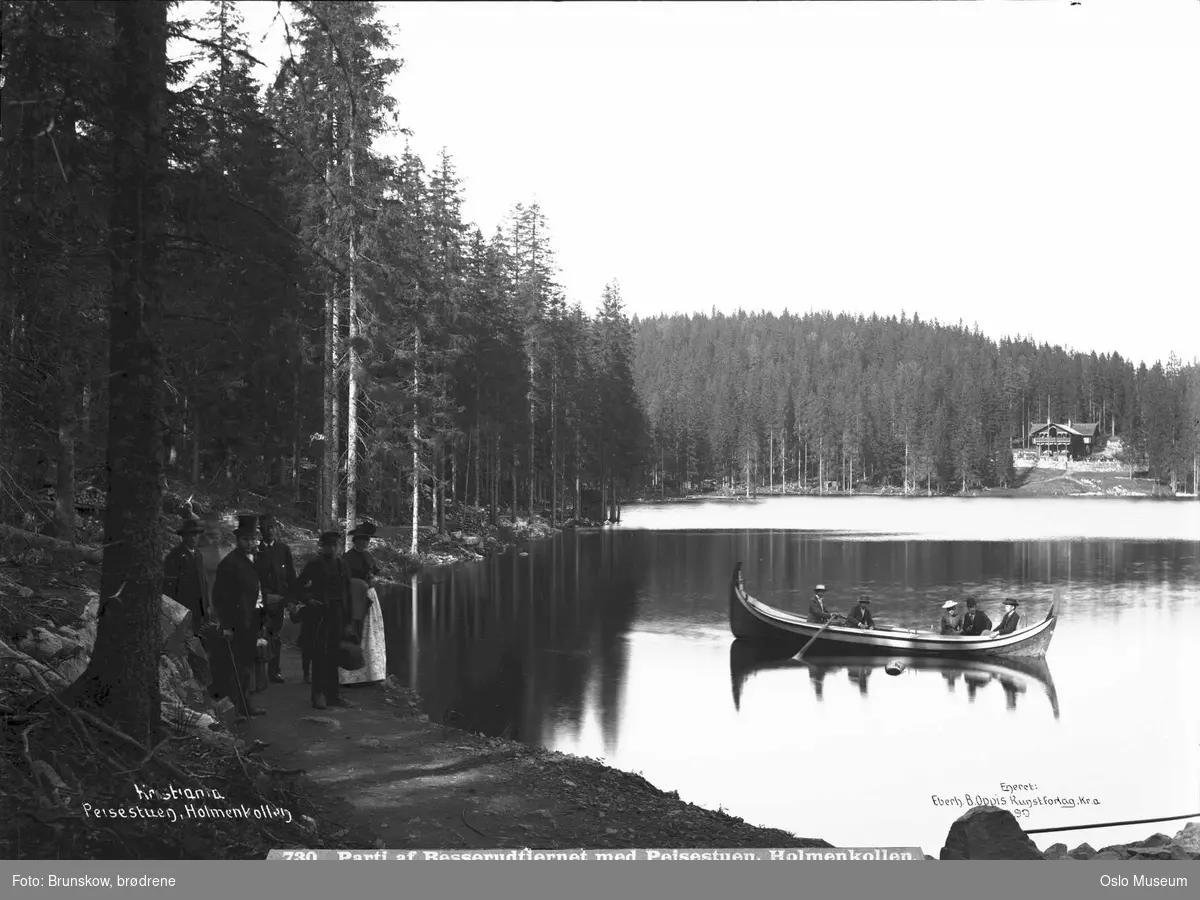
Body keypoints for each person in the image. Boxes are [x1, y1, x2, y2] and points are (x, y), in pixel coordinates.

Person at [211, 514, 267, 719]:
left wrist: (262, 620)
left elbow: (260, 591)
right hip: (235, 622)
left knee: (246, 665)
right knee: (234, 667)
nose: (250, 543)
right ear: (238, 540)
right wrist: (225, 625)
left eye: (253, 539)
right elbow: (220, 597)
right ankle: (235, 709)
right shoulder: (230, 563)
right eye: (246, 539)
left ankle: (245, 705)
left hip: (252, 619)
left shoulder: (257, 559)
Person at [296, 531, 354, 711]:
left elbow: (348, 593)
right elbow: (298, 585)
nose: (334, 548)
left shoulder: (343, 565)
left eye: (336, 545)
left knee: (334, 654)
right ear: (323, 547)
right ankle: (318, 695)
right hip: (319, 614)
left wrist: (349, 619)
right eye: (330, 545)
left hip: (337, 614)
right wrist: (308, 600)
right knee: (320, 654)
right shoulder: (314, 564)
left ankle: (333, 695)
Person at [340, 522, 386, 686]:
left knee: (371, 633)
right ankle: (351, 676)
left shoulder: (367, 556)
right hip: (354, 598)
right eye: (362, 540)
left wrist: (374, 579)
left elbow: (374, 571)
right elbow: (344, 581)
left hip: (369, 596)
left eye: (367, 540)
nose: (365, 543)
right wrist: (362, 582)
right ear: (355, 541)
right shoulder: (347, 558)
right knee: (356, 630)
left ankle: (371, 673)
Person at [255, 514, 296, 684]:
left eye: (272, 527)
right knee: (259, 635)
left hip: (279, 600)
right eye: (265, 528)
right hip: (260, 601)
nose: (269, 531)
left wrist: (291, 599)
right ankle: (258, 674)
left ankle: (274, 671)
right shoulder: (256, 551)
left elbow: (291, 577)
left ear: (276, 529)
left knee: (275, 635)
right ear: (261, 531)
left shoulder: (283, 549)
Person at [162, 517, 209, 626]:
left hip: (198, 610)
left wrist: (206, 607)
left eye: (196, 534)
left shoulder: (198, 555)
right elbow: (169, 589)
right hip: (182, 610)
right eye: (190, 535)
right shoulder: (174, 556)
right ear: (183, 536)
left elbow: (203, 583)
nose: (193, 538)